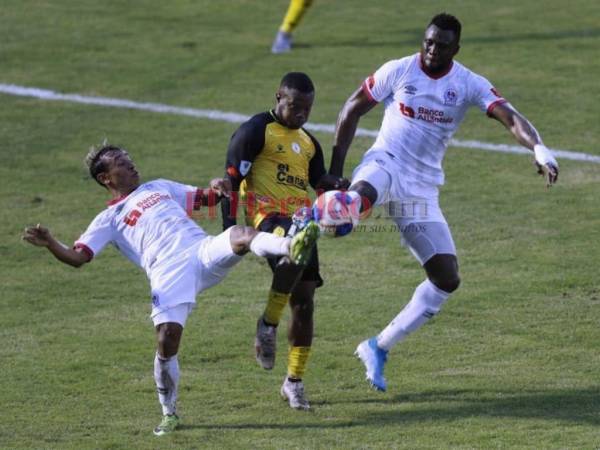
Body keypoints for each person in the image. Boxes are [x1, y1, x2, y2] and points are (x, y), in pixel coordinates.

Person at [329, 13, 559, 392]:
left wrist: (538, 148)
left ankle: (377, 346)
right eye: (428, 41)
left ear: (456, 49)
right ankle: (311, 221)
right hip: (385, 162)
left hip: (421, 189)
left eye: (441, 45)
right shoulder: (400, 70)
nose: (432, 50)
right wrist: (337, 173)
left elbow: (509, 116)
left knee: (446, 277)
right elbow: (352, 108)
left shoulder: (467, 83)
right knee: (356, 202)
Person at [22, 144, 320, 435]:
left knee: (240, 234)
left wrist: (217, 187)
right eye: (122, 164)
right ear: (106, 178)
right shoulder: (107, 220)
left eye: (130, 159)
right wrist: (51, 244)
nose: (132, 165)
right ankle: (169, 413)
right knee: (167, 339)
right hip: (167, 274)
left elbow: (207, 199)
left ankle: (289, 246)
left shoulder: (159, 187)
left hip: (201, 251)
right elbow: (79, 257)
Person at [222, 72, 346, 409]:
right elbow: (229, 182)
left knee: (305, 304)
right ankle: (269, 322)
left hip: (303, 221)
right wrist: (229, 231)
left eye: (308, 108)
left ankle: (294, 382)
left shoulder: (308, 143)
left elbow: (320, 182)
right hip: (268, 218)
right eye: (295, 106)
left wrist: (338, 191)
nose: (302, 114)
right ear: (278, 96)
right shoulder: (256, 130)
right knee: (293, 249)